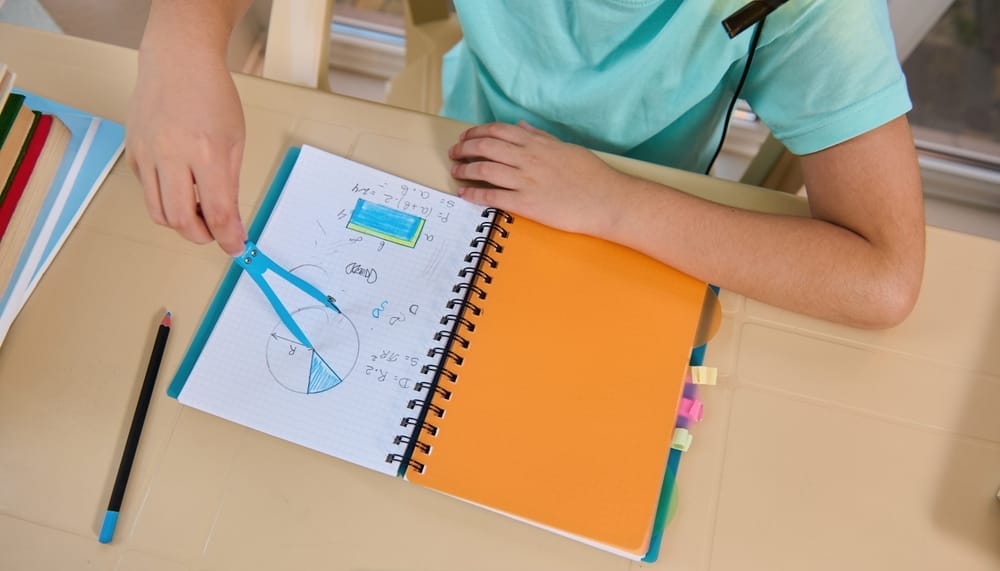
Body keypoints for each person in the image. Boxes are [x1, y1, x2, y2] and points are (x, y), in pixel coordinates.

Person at [126, 0, 925, 329]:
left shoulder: (813, 11)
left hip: (647, 232)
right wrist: (179, 42)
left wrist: (614, 204)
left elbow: (884, 275)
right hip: (457, 150)